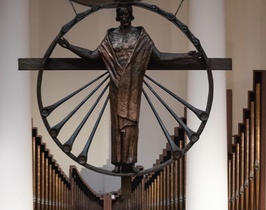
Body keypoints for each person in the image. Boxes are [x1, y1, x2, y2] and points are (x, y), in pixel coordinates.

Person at [58, 3, 198, 173]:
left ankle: (130, 162)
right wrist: (69, 46)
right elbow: (92, 55)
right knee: (117, 125)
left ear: (131, 16)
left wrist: (184, 55)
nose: (124, 17)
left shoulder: (140, 36)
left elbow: (160, 56)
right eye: (121, 14)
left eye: (126, 14)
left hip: (132, 87)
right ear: (117, 16)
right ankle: (118, 163)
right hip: (116, 86)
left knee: (131, 124)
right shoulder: (111, 36)